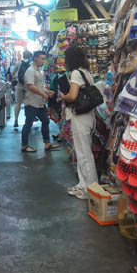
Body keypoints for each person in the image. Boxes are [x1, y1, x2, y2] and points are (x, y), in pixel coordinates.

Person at [59, 46, 100, 200]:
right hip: (88, 116)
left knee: (84, 154)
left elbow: (73, 95)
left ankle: (90, 187)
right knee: (83, 151)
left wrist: (63, 96)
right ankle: (83, 184)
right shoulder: (85, 72)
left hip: (81, 118)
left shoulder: (76, 73)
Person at [21, 51, 55, 153]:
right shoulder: (30, 71)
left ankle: (47, 143)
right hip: (31, 103)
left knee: (45, 121)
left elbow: (38, 85)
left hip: (39, 103)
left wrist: (46, 91)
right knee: (28, 124)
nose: (44, 61)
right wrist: (43, 94)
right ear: (35, 59)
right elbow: (30, 86)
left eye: (44, 59)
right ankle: (24, 146)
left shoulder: (37, 70)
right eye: (42, 59)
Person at [12, 50, 33, 132]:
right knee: (29, 104)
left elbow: (12, 74)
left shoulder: (18, 63)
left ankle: (16, 120)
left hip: (20, 86)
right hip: (29, 87)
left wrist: (17, 79)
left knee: (18, 103)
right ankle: (27, 122)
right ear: (30, 56)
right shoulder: (32, 64)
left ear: (23, 56)